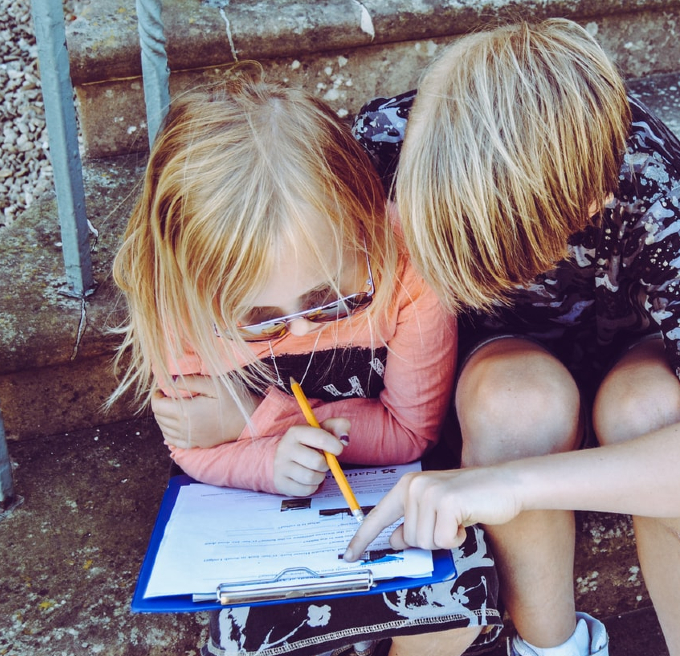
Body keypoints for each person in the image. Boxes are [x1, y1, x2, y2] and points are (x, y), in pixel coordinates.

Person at [346, 19, 680, 656]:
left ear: (588, 205)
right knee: (515, 401)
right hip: (495, 371)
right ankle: (550, 647)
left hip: (632, 357)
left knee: (655, 413)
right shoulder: (386, 146)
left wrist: (518, 483)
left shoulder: (646, 178)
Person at [109, 79, 501, 656]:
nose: (299, 331)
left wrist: (256, 415)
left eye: (330, 298)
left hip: (385, 500)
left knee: (454, 600)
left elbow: (411, 432)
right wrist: (269, 459)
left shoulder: (408, 268)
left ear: (365, 228)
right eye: (259, 319)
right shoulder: (180, 306)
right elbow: (192, 447)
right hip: (266, 523)